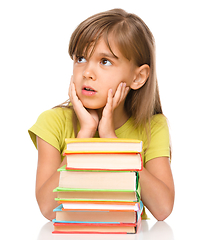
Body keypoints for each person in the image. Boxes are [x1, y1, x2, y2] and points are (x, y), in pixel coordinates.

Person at [28, 8, 175, 221]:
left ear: (138, 77)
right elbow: (47, 208)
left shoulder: (152, 126)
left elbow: (162, 209)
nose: (87, 72)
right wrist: (83, 138)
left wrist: (112, 142)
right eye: (80, 58)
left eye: (105, 61)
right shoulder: (52, 122)